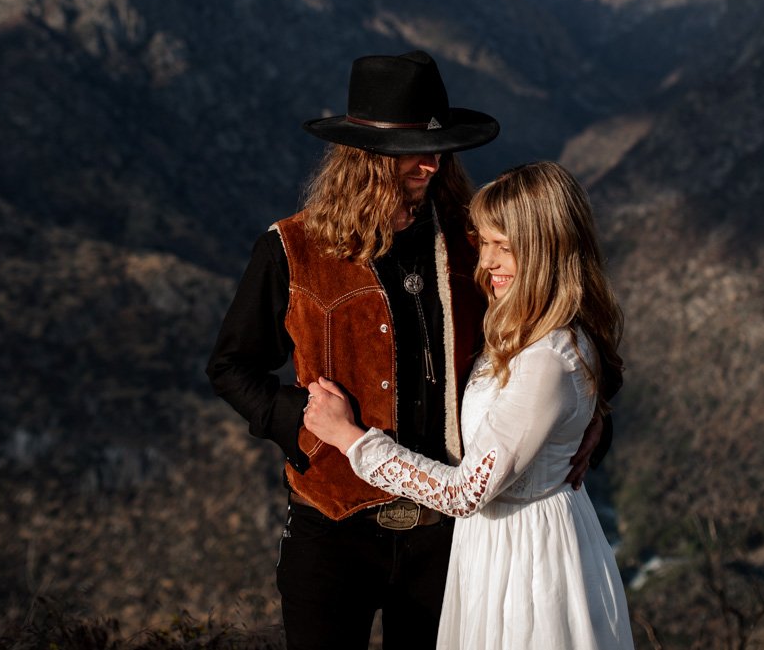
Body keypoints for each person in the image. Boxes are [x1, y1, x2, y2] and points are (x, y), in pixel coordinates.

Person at [208, 50, 515, 650]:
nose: (431, 164)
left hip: (448, 534)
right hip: (332, 529)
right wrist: (302, 424)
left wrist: (590, 422)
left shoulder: (472, 243)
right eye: (412, 152)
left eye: (439, 148)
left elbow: (546, 332)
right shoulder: (292, 248)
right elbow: (230, 366)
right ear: (364, 156)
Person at [304, 161, 633, 650]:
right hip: (501, 544)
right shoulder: (525, 325)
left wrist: (350, 438)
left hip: (529, 560)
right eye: (487, 243)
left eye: (507, 247)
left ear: (547, 250)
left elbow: (464, 493)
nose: (489, 262)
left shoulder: (546, 358)